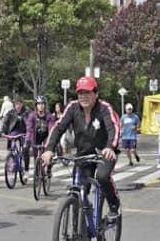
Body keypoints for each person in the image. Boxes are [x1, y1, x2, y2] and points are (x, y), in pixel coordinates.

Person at [41, 76, 122, 221]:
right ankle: (78, 231)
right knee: (78, 191)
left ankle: (114, 205)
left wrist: (110, 147)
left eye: (87, 93)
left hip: (104, 153)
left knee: (102, 177)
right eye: (80, 93)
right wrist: (49, 149)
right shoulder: (72, 107)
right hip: (83, 154)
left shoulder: (104, 108)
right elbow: (58, 127)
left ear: (96, 94)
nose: (83, 96)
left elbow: (113, 128)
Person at [0, 96, 31, 172]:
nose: (18, 106)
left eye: (19, 104)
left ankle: (26, 170)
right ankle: (13, 159)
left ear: (22, 104)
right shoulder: (11, 112)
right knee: (12, 144)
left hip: (25, 132)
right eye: (16, 104)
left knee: (25, 149)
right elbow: (4, 122)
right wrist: (0, 131)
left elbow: (31, 122)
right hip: (15, 131)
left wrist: (31, 132)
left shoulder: (27, 112)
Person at [26, 96, 57, 172]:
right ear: (36, 105)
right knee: (36, 156)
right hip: (36, 137)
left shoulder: (49, 116)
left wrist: (50, 143)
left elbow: (51, 129)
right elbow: (30, 129)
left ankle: (49, 169)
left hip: (46, 137)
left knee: (49, 153)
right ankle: (37, 172)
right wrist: (28, 140)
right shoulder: (32, 116)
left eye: (42, 104)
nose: (41, 106)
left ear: (45, 105)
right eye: (39, 104)